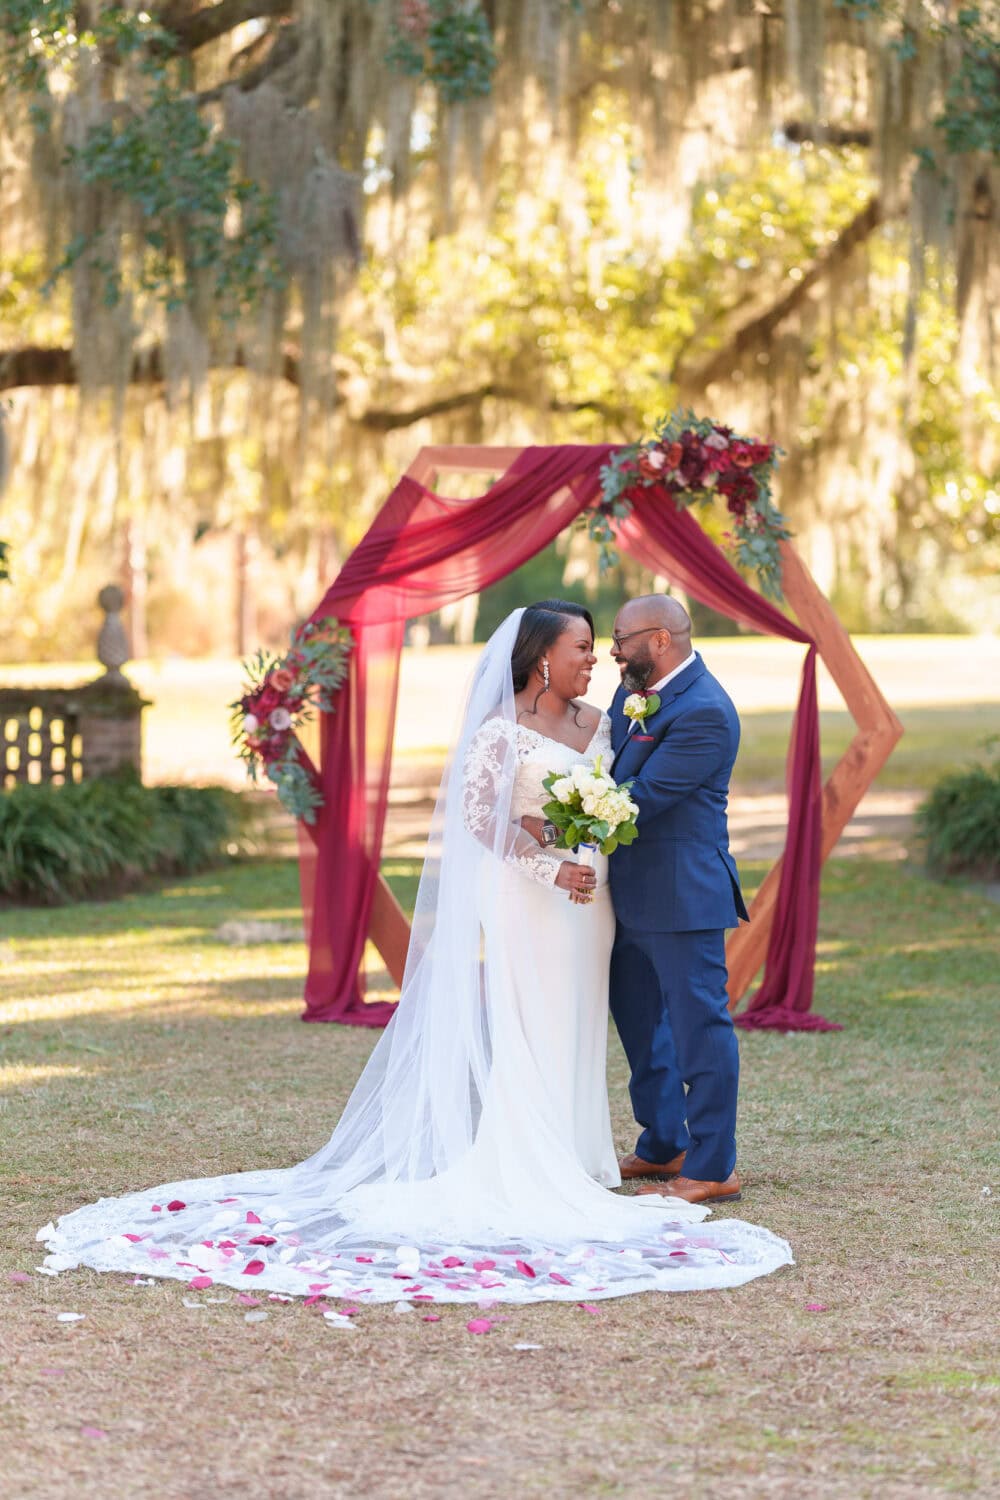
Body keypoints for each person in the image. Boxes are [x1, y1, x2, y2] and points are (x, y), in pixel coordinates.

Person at [39, 604, 790, 1305]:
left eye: (610, 646)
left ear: (656, 641)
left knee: (639, 1020)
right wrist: (550, 857)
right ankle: (610, 1146)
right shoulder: (510, 727)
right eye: (586, 649)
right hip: (542, 896)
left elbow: (629, 796)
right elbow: (485, 817)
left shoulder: (631, 716)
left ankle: (661, 1157)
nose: (602, 659)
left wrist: (577, 843)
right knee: (556, 1018)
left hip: (614, 897)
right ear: (538, 661)